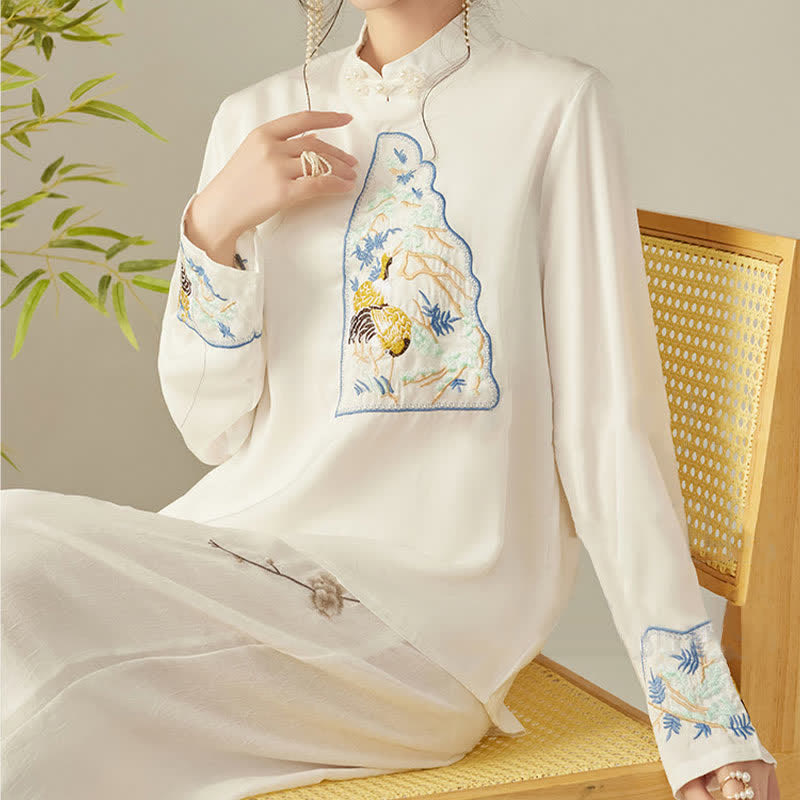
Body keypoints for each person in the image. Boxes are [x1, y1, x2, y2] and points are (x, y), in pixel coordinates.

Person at [0, 1, 782, 799]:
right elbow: (211, 426)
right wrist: (214, 226)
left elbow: (605, 424)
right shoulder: (257, 115)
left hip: (427, 632)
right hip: (242, 568)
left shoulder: (553, 106)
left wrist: (702, 724)